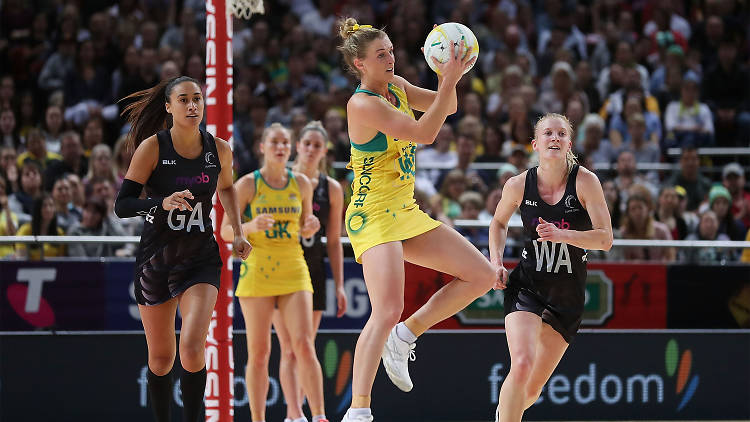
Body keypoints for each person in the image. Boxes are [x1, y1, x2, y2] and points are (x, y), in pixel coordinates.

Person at [337, 18, 496, 422]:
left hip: (404, 209)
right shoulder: (362, 104)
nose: (391, 58)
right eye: (381, 54)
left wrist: (449, 77)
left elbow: (450, 105)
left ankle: (406, 335)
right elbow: (425, 133)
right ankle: (358, 410)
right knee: (386, 308)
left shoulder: (396, 87)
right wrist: (449, 79)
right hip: (372, 213)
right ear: (360, 64)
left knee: (481, 275)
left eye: (391, 50)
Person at [113, 76, 251, 422]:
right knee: (161, 358)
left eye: (197, 99)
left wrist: (235, 229)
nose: (193, 106)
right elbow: (123, 205)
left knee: (191, 348)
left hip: (199, 258)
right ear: (169, 107)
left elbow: (229, 188)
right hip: (156, 260)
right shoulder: (153, 147)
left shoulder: (218, 148)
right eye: (184, 100)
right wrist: (161, 203)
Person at [488, 113, 613, 422]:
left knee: (530, 391)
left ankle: (505, 413)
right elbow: (498, 223)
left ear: (569, 143)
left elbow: (605, 239)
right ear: (535, 144)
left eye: (561, 133)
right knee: (521, 364)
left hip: (567, 296)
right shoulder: (518, 185)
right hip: (528, 285)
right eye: (548, 133)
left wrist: (563, 235)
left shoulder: (586, 181)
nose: (554, 138)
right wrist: (496, 262)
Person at [221, 123, 327, 422]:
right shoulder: (248, 184)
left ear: (290, 148)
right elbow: (226, 231)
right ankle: (258, 418)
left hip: (294, 268)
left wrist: (310, 225)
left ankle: (319, 416)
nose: (281, 147)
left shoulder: (302, 184)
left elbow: (308, 223)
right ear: (262, 147)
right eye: (274, 142)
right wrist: (251, 227)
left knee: (304, 344)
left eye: (285, 142)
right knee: (259, 353)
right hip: (258, 271)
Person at [271, 121, 348, 422]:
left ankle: (299, 412)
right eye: (307, 144)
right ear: (298, 145)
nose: (312, 149)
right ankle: (294, 414)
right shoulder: (281, 178)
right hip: (280, 267)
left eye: (317, 145)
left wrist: (339, 285)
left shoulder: (331, 188)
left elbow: (334, 242)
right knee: (288, 347)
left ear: (324, 151)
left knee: (304, 346)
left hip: (313, 271)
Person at [15, 194, 66, 260]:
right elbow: (21, 259)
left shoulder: (60, 233)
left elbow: (61, 261)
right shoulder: (25, 230)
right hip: (29, 269)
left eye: (51, 205)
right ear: (37, 209)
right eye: (44, 206)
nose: (48, 209)